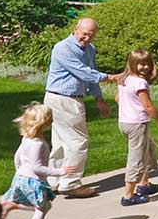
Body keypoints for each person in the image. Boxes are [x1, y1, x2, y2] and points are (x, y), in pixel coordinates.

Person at [44, 18, 122, 198]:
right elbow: (83, 72)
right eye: (84, 33)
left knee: (61, 142)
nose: (87, 38)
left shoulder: (89, 49)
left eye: (91, 35)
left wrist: (99, 99)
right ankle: (70, 184)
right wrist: (111, 77)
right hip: (62, 99)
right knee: (77, 142)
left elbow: (90, 75)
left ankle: (54, 182)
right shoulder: (63, 48)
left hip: (70, 99)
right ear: (75, 29)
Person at [0, 104, 77, 219]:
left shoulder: (27, 137)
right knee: (41, 209)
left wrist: (19, 170)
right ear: (44, 122)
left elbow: (17, 156)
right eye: (50, 117)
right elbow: (37, 167)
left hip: (21, 176)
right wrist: (60, 171)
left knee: (45, 206)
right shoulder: (38, 144)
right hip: (33, 181)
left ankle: (10, 205)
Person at [115, 49, 158, 206]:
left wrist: (128, 108)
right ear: (133, 64)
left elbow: (117, 98)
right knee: (137, 159)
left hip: (124, 123)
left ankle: (144, 185)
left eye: (147, 64)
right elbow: (148, 106)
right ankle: (128, 196)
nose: (145, 67)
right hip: (137, 124)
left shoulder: (123, 79)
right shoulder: (140, 83)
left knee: (149, 149)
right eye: (141, 64)